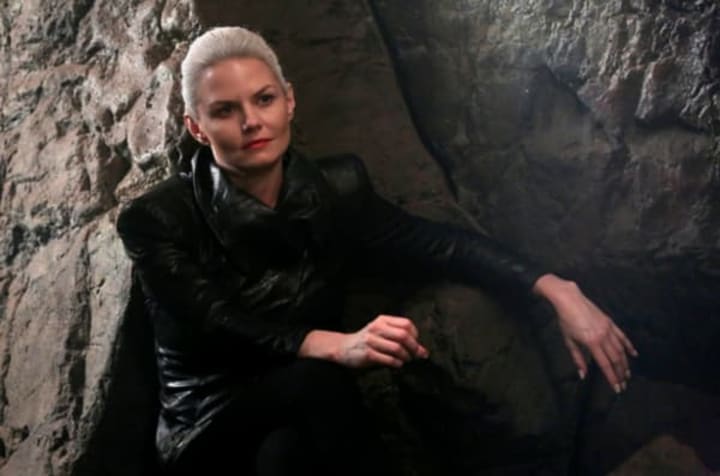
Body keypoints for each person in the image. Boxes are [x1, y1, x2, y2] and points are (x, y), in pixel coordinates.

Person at [116, 26, 638, 476]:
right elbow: (214, 320)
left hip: (304, 417)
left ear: (290, 101)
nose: (251, 121)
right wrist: (336, 345)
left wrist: (554, 288)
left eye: (264, 99)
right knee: (317, 385)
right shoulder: (157, 218)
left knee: (289, 453)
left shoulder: (336, 188)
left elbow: (436, 245)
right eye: (225, 111)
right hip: (208, 422)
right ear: (196, 126)